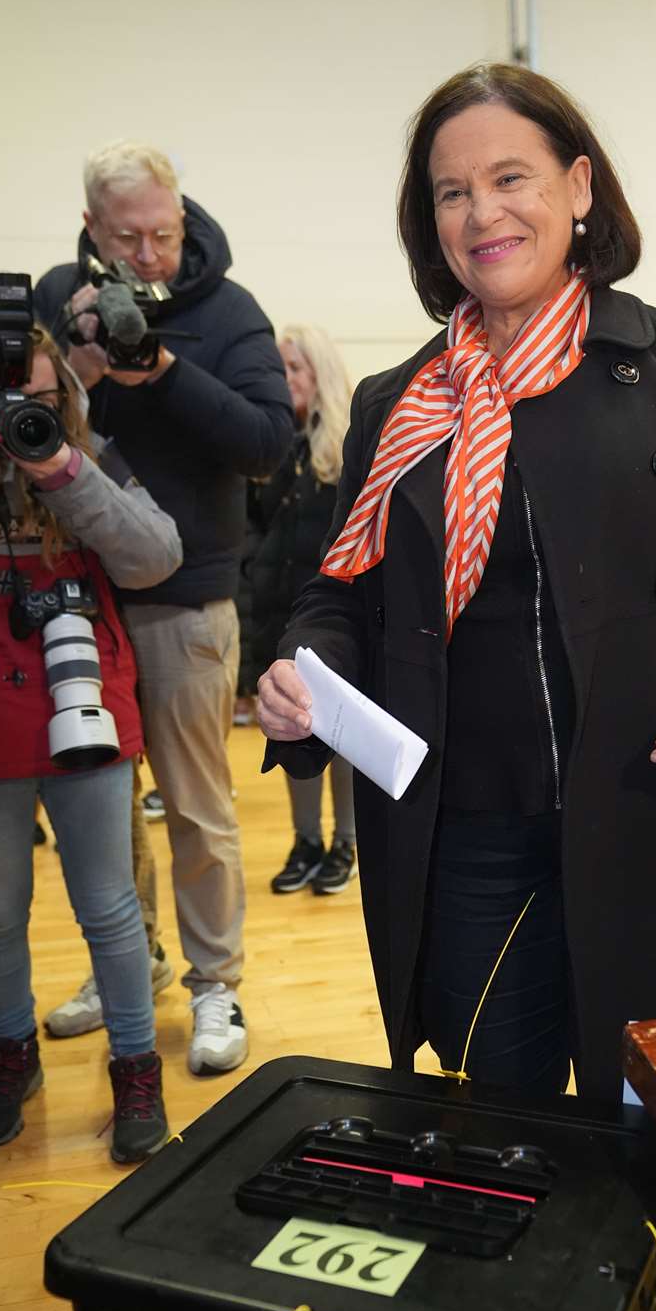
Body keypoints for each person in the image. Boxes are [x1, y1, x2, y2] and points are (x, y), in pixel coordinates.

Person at [257, 64, 656, 1103]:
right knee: (507, 1132)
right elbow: (340, 594)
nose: (484, 213)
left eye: (511, 177)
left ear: (578, 186)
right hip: (470, 837)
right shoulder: (401, 402)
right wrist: (306, 670)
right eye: (451, 192)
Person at [34, 142, 294, 1074]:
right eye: (128, 237)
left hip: (187, 599)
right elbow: (18, 426)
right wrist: (77, 373)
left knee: (196, 807)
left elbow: (270, 443)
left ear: (182, 217)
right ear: (95, 230)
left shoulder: (231, 312)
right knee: (97, 803)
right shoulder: (59, 294)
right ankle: (124, 966)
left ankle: (216, 985)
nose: (149, 253)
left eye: (163, 231)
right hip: (80, 595)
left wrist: (168, 374)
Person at [0, 323, 181, 1162]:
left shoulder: (89, 456)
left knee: (111, 905)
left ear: (66, 398)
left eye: (42, 401)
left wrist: (62, 469)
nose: (24, 413)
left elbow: (157, 556)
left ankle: (135, 1069)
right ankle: (11, 1056)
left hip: (81, 693)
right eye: (4, 401)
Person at [254, 326, 357, 895]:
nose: (285, 380)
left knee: (337, 733)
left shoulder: (346, 450)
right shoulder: (278, 449)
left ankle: (345, 840)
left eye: (295, 368)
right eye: (280, 369)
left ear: (319, 373)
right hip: (282, 614)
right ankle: (306, 839)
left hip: (332, 619)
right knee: (288, 726)